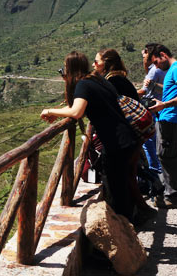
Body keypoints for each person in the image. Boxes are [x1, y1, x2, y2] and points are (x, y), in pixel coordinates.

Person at [41, 52, 140, 222]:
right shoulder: (97, 80)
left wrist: (50, 111)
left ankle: (122, 236)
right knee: (121, 188)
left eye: (64, 70)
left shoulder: (83, 84)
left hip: (115, 143)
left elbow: (76, 112)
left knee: (115, 193)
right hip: (127, 139)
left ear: (70, 69)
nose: (63, 74)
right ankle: (127, 230)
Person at [93, 48, 157, 220]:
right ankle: (139, 211)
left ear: (105, 63)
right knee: (129, 173)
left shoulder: (113, 81)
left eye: (97, 61)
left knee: (124, 175)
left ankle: (128, 217)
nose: (94, 65)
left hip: (125, 135)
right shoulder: (120, 79)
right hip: (132, 134)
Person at [148, 44, 177, 209]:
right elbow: (173, 90)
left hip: (170, 120)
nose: (156, 66)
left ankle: (172, 197)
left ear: (163, 55)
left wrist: (164, 104)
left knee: (168, 157)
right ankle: (169, 194)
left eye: (156, 62)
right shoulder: (172, 72)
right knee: (165, 156)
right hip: (167, 118)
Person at [138, 43, 165, 176]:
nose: (143, 57)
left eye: (144, 55)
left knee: (148, 143)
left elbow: (144, 91)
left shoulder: (154, 71)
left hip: (151, 108)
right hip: (159, 108)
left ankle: (155, 173)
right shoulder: (162, 69)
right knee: (155, 142)